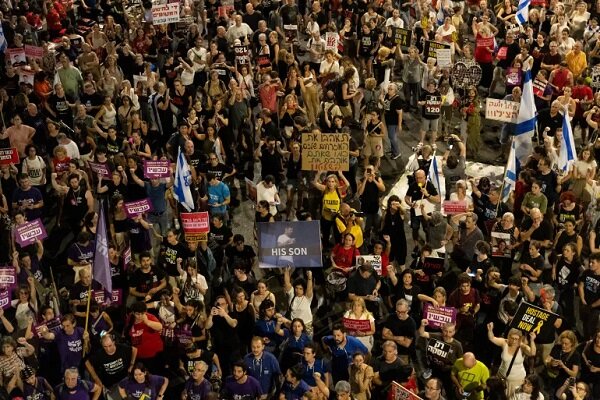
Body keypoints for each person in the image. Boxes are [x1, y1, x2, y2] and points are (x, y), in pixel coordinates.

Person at [487, 324, 537, 396]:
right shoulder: (505, 343)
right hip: (502, 377)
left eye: (516, 339)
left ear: (520, 339)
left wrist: (532, 341)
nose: (514, 341)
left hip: (517, 380)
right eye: (512, 338)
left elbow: (532, 353)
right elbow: (492, 338)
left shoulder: (522, 347)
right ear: (509, 337)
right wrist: (490, 330)